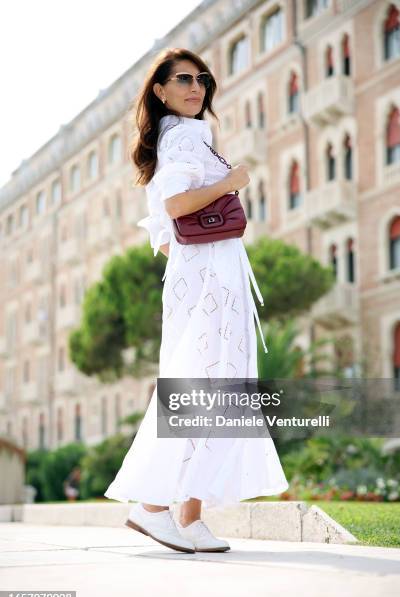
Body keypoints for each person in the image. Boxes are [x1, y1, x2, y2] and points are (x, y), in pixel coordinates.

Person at [104, 47, 289, 553]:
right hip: (211, 282)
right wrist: (232, 183)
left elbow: (163, 233)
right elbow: (176, 206)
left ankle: (188, 518)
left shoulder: (180, 139)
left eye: (202, 79)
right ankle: (155, 508)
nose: (195, 87)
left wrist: (195, 266)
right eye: (182, 79)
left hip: (204, 279)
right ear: (160, 91)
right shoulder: (185, 136)